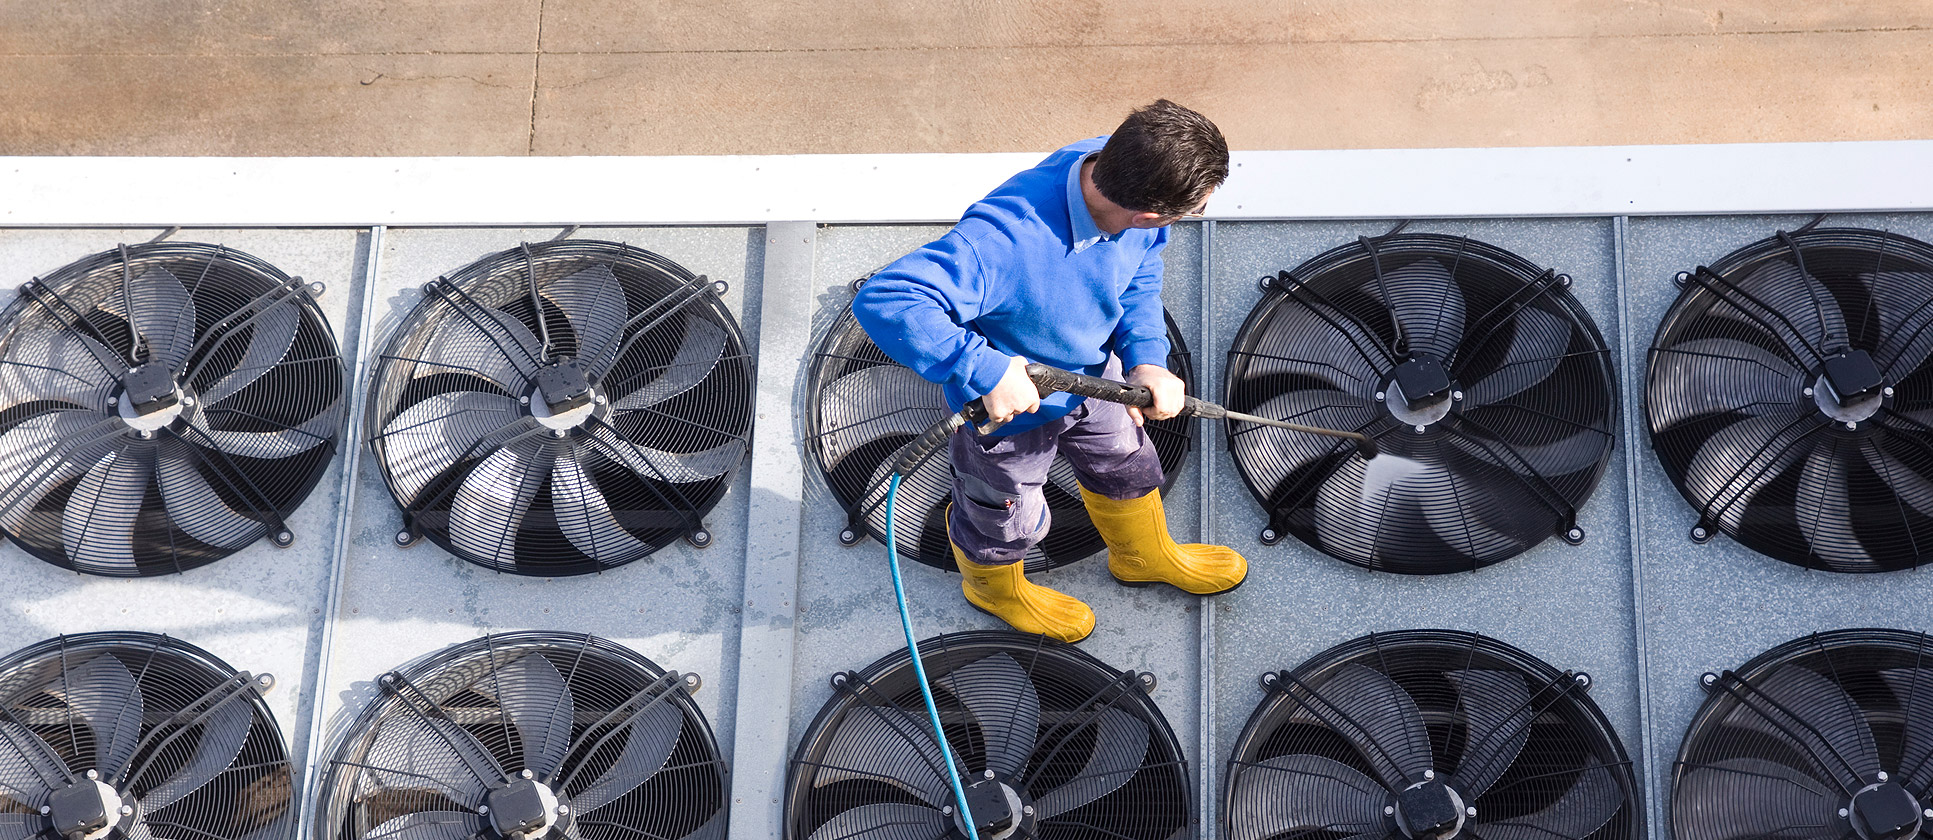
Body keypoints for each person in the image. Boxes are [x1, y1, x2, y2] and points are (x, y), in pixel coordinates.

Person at [853, 99, 1247, 644]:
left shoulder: (1106, 166)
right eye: (1194, 209)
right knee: (1002, 513)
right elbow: (887, 298)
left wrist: (1147, 358)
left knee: (1126, 462)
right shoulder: (1002, 242)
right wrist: (983, 367)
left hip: (1096, 378)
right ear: (1149, 213)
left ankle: (1142, 556)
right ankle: (993, 589)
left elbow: (1139, 274)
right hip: (1011, 411)